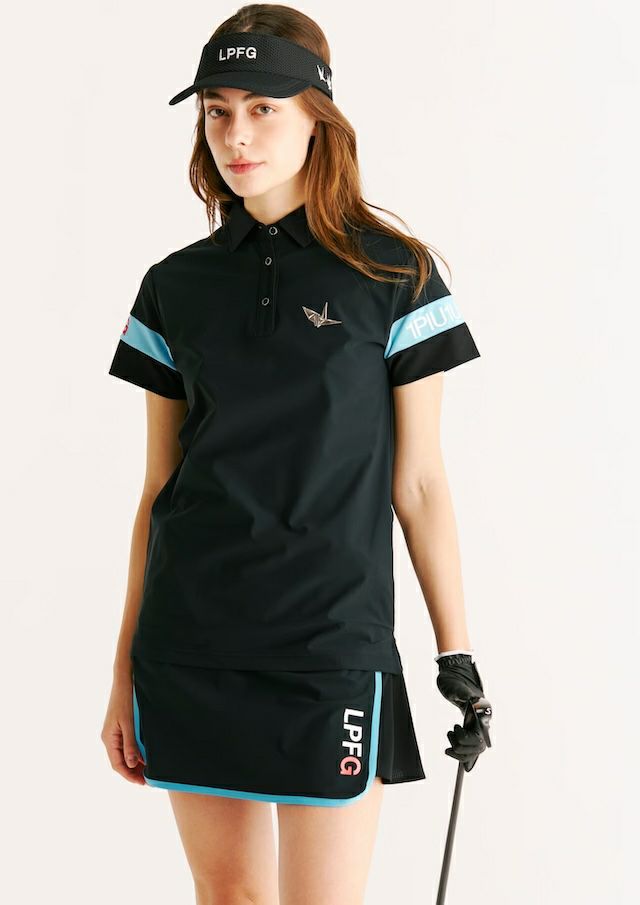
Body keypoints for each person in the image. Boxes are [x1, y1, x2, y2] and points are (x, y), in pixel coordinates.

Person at [101, 5, 492, 903]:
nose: (236, 135)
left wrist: (456, 653)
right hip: (190, 640)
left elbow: (419, 482)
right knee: (228, 898)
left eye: (263, 109)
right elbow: (159, 488)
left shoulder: (396, 275)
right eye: (217, 110)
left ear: (318, 117)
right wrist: (123, 670)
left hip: (331, 645)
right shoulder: (174, 286)